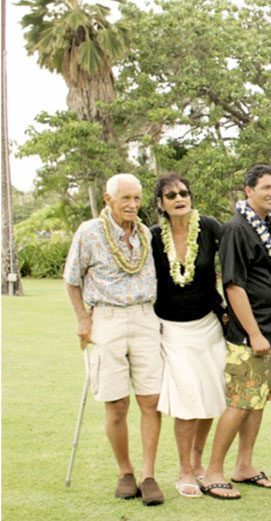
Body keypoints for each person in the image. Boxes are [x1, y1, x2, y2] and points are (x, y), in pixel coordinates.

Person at [63, 173, 165, 506]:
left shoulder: (147, 234)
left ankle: (149, 475)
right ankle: (126, 472)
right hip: (106, 318)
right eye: (126, 198)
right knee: (116, 403)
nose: (133, 205)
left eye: (137, 198)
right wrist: (82, 317)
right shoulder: (89, 232)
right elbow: (72, 280)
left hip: (145, 317)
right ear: (109, 200)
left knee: (150, 401)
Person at [200, 164, 271, 499]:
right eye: (266, 187)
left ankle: (245, 466)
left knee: (257, 403)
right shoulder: (237, 229)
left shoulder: (269, 227)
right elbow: (233, 286)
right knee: (239, 403)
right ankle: (212, 472)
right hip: (251, 335)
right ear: (248, 191)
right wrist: (254, 333)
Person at [150, 173, 228, 497]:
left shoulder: (210, 227)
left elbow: (240, 245)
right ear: (161, 204)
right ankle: (184, 470)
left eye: (184, 192)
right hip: (173, 329)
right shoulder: (153, 237)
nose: (179, 198)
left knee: (211, 395)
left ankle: (197, 458)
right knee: (186, 398)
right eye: (171, 195)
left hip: (209, 324)